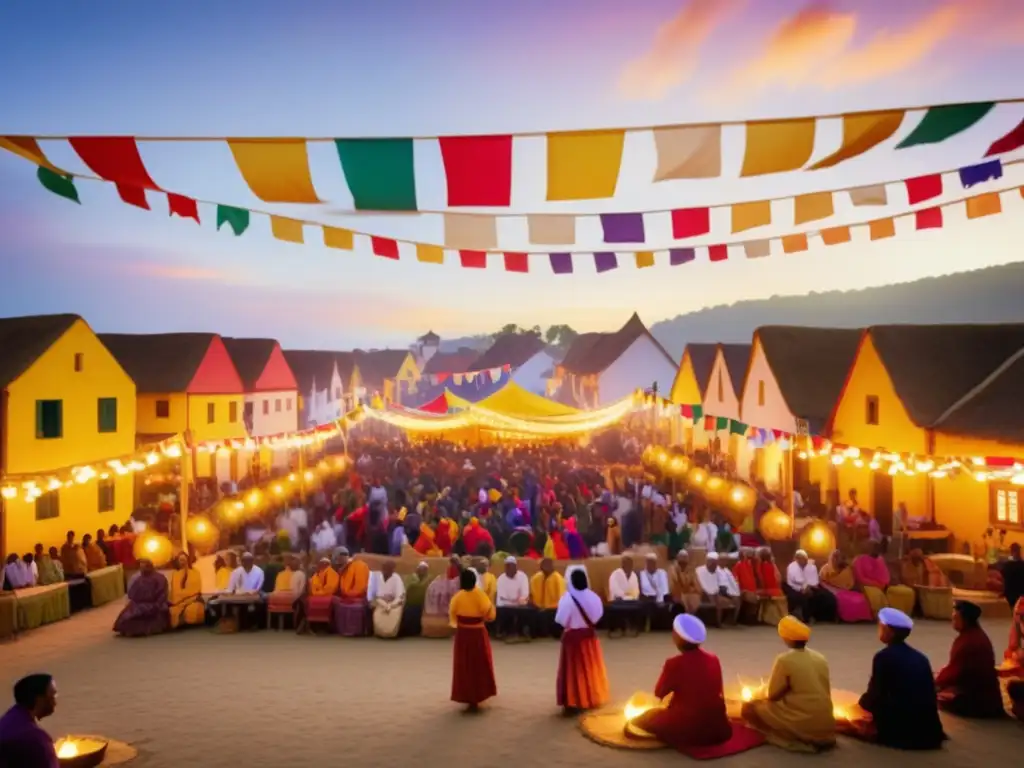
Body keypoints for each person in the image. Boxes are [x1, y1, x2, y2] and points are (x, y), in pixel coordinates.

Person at [631, 614, 765, 758]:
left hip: (689, 728)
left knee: (644, 718)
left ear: (678, 637)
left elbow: (659, 693)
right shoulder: (713, 659)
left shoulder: (674, 663)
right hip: (720, 730)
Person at [839, 608, 946, 749]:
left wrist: (859, 706)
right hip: (929, 728)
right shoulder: (921, 658)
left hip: (901, 729)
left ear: (888, 631)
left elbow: (875, 695)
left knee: (844, 721)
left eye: (880, 627)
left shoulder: (883, 657)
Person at [741, 615, 836, 752]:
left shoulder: (784, 660)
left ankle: (787, 735)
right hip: (826, 722)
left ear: (786, 638)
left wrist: (758, 694)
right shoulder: (820, 658)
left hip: (801, 721)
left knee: (749, 708)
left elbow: (772, 695)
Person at [934, 600, 1004, 718]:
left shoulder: (969, 642)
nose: (953, 621)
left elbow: (955, 673)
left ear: (965, 620)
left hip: (976, 699)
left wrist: (936, 682)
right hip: (983, 693)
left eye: (956, 618)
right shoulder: (973, 635)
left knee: (933, 695)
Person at [554, 568, 609, 713]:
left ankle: (575, 700)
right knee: (591, 668)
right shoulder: (594, 597)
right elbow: (598, 615)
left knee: (574, 671)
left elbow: (560, 619)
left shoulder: (567, 598)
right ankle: (592, 697)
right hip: (589, 638)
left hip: (573, 640)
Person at [449, 567, 497, 710]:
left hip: (463, 634)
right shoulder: (480, 595)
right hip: (477, 634)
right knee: (480, 664)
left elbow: (452, 618)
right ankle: (479, 694)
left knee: (464, 665)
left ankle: (467, 695)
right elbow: (490, 615)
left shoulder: (457, 597)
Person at [0, 673, 59, 768]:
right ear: (40, 699)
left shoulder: (7, 722)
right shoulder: (36, 738)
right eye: (53, 696)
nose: (55, 703)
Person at [852, 541, 915, 616]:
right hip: (866, 585)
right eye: (872, 547)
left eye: (876, 547)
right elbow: (860, 577)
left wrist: (883, 583)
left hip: (881, 585)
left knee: (908, 591)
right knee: (876, 594)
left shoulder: (880, 559)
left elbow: (885, 575)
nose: (874, 549)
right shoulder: (858, 560)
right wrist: (875, 584)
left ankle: (902, 614)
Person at [113, 558, 169, 637]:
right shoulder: (138, 579)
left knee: (148, 615)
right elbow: (132, 594)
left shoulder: (160, 578)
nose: (143, 569)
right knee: (128, 615)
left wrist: (156, 605)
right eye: (141, 567)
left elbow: (162, 594)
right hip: (139, 604)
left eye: (145, 566)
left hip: (155, 604)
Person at [819, 549, 872, 623]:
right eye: (835, 557)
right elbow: (822, 582)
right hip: (832, 590)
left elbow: (850, 583)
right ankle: (846, 619)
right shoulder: (825, 569)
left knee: (862, 598)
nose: (837, 559)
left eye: (839, 557)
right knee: (844, 599)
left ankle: (862, 618)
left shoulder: (847, 569)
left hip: (847, 590)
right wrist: (833, 590)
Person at [784, 550, 836, 623]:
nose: (803, 561)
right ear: (797, 559)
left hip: (811, 587)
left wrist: (809, 587)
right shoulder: (792, 567)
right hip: (795, 588)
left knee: (827, 596)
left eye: (805, 559)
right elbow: (795, 582)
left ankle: (826, 618)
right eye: (801, 559)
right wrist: (804, 588)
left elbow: (814, 581)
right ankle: (805, 617)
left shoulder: (811, 567)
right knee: (803, 597)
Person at [696, 552, 740, 627]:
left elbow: (718, 586)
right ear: (707, 561)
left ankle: (723, 621)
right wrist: (709, 594)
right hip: (702, 594)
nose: (713, 565)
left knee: (725, 600)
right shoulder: (699, 570)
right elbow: (699, 586)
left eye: (715, 563)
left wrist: (716, 594)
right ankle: (718, 623)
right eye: (711, 562)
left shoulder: (717, 571)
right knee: (718, 600)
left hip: (715, 594)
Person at [333, 548, 371, 637]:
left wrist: (347, 595)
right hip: (347, 596)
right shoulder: (343, 569)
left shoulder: (359, 565)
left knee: (348, 605)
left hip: (359, 597)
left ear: (343, 557)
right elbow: (343, 588)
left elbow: (360, 588)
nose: (338, 564)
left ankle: (355, 631)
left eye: (338, 560)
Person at [496, 555, 532, 641]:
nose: (510, 569)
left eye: (512, 566)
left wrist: (519, 601)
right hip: (506, 605)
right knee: (502, 610)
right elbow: (502, 597)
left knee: (526, 609)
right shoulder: (501, 578)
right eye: (507, 566)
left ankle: (523, 633)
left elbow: (525, 594)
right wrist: (514, 601)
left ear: (516, 567)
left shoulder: (522, 576)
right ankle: (503, 632)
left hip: (520, 604)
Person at [529, 557, 566, 638]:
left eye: (546, 565)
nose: (543, 568)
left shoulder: (558, 579)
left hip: (553, 608)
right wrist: (534, 603)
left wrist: (547, 608)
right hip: (538, 606)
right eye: (542, 566)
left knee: (550, 614)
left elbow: (561, 599)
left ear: (551, 566)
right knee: (529, 611)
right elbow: (531, 594)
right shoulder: (536, 577)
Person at [168, 552, 205, 629]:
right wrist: (180, 598)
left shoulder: (195, 572)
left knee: (193, 608)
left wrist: (185, 597)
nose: (183, 562)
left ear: (188, 560)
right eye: (181, 560)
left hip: (193, 599)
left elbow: (196, 589)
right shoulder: (175, 574)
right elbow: (174, 590)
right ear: (178, 561)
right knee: (172, 610)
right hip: (178, 601)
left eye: (184, 560)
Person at [369, 560, 405, 639]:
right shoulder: (379, 578)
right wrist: (384, 605)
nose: (386, 570)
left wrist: (390, 605)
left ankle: (391, 633)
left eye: (389, 569)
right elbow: (377, 596)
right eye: (384, 568)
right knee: (378, 614)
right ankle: (380, 633)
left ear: (392, 570)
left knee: (393, 614)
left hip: (394, 603)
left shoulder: (396, 578)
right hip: (381, 603)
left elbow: (399, 596)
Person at [754, 547, 788, 626]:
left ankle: (771, 618)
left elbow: (761, 579)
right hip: (775, 590)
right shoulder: (771, 565)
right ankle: (782, 618)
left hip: (767, 590)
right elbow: (777, 579)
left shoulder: (761, 565)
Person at [638, 552, 672, 631]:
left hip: (661, 597)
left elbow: (664, 587)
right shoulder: (642, 574)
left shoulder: (662, 572)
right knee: (647, 604)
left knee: (666, 603)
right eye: (648, 562)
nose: (650, 565)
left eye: (652, 562)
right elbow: (644, 588)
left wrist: (660, 597)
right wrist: (653, 595)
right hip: (648, 597)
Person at [305, 557, 339, 631]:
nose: (319, 565)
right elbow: (313, 586)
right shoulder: (316, 574)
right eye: (319, 563)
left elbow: (330, 589)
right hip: (316, 596)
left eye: (322, 563)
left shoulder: (332, 573)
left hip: (328, 596)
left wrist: (318, 593)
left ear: (327, 564)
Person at [402, 561, 435, 637]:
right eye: (421, 569)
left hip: (422, 603)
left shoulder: (429, 578)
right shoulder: (411, 577)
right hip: (410, 603)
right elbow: (408, 587)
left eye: (424, 569)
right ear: (417, 569)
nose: (422, 571)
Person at [668, 549, 702, 615]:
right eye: (681, 558)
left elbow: (697, 585)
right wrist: (686, 589)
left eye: (685, 558)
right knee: (683, 599)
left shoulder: (691, 570)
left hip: (689, 593)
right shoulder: (672, 569)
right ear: (678, 559)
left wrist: (690, 589)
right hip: (677, 594)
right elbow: (673, 585)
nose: (683, 560)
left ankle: (690, 618)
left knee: (695, 598)